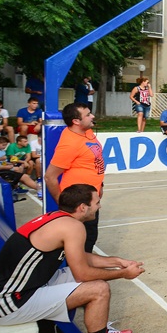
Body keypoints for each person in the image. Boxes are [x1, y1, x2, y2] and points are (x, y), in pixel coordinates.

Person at [0, 184, 144, 333]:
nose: (99, 207)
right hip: (10, 303)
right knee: (98, 289)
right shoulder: (74, 227)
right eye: (97, 203)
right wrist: (123, 274)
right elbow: (83, 275)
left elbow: (81, 257)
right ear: (82, 208)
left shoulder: (58, 219)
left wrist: (117, 262)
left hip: (23, 289)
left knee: (77, 274)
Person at [45, 103, 105, 253]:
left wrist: (100, 185)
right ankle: (80, 274)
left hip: (91, 197)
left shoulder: (88, 132)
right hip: (78, 204)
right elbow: (50, 177)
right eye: (88, 115)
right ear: (76, 121)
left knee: (90, 238)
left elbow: (94, 161)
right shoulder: (69, 144)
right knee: (81, 244)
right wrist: (65, 206)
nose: (92, 116)